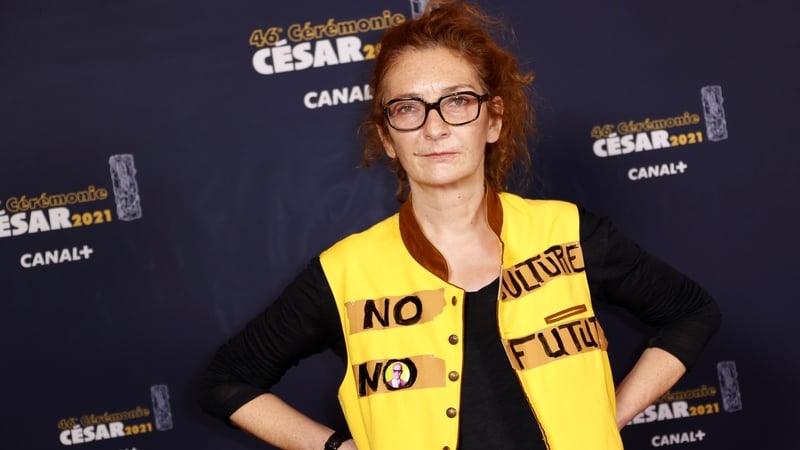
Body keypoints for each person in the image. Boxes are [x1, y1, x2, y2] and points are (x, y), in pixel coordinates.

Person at [198, 1, 721, 449]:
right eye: (408, 108)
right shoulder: (347, 272)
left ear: (492, 120)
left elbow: (691, 312)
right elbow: (227, 381)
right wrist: (334, 445)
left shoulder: (568, 232)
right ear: (387, 138)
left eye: (457, 101)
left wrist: (607, 418)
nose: (434, 126)